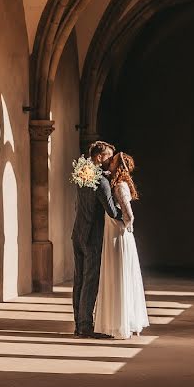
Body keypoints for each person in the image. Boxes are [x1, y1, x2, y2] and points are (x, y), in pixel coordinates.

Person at [95, 152, 150, 339]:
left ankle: (119, 324)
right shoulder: (117, 183)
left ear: (117, 167)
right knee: (119, 276)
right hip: (118, 235)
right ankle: (121, 321)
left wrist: (123, 226)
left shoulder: (119, 186)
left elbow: (129, 215)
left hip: (118, 237)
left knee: (118, 276)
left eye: (112, 162)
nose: (109, 163)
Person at [72, 140, 121, 338]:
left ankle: (78, 323)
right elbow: (111, 210)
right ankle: (85, 326)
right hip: (92, 235)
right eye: (108, 157)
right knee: (90, 280)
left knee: (79, 279)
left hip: (77, 232)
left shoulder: (82, 175)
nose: (110, 161)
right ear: (99, 157)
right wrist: (126, 213)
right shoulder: (100, 182)